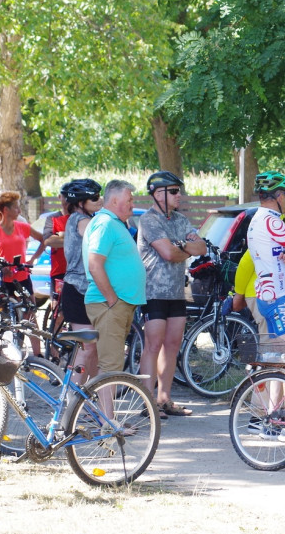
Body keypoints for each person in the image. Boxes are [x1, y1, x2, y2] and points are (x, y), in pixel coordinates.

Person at [137, 171, 207, 417]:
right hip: (153, 292)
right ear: (158, 193)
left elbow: (201, 246)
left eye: (180, 190)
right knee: (153, 344)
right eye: (174, 191)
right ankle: (148, 402)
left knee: (173, 345)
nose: (180, 195)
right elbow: (167, 253)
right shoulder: (148, 220)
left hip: (177, 292)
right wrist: (182, 247)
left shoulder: (179, 219)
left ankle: (164, 399)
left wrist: (181, 247)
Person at [83, 180, 146, 378]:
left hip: (117, 303)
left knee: (111, 365)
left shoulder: (114, 224)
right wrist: (112, 299)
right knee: (111, 368)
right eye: (129, 199)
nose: (132, 204)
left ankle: (98, 410)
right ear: (114, 200)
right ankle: (106, 411)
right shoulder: (105, 224)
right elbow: (94, 264)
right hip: (110, 304)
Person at [234, 176, 285, 332]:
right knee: (276, 348)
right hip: (269, 294)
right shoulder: (275, 222)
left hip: (278, 292)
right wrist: (238, 295)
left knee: (278, 348)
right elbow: (247, 261)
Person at [0, 190, 39, 353]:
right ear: (6, 210)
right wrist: (1, 267)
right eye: (16, 208)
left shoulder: (23, 227)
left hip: (22, 277)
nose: (19, 211)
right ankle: (0, 350)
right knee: (2, 316)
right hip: (3, 280)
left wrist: (31, 259)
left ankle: (38, 352)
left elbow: (43, 240)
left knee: (31, 313)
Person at [60, 179, 102, 380]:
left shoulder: (87, 218)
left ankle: (89, 396)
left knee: (92, 349)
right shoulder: (81, 221)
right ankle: (73, 398)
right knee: (86, 348)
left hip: (88, 289)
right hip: (78, 290)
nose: (99, 200)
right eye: (94, 198)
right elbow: (101, 243)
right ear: (79, 202)